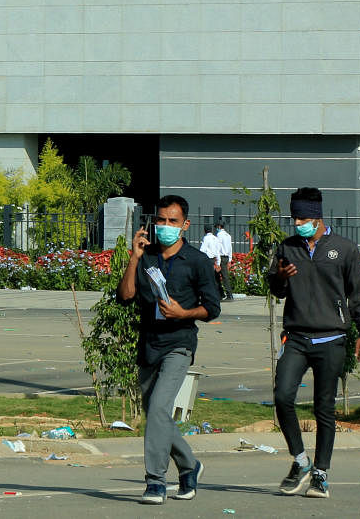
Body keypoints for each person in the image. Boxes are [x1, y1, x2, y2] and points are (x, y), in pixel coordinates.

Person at [267, 186, 360, 499]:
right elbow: (276, 289)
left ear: (317, 216)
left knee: (323, 408)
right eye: (294, 217)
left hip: (332, 339)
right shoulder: (287, 247)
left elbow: (359, 292)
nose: (297, 222)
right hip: (296, 337)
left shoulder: (345, 248)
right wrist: (281, 277)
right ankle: (300, 461)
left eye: (302, 217)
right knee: (283, 396)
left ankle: (320, 474)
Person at [119, 195, 221, 504]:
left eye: (172, 222)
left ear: (185, 225)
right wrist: (134, 257)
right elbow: (125, 296)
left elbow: (212, 308)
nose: (165, 226)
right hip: (149, 343)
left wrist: (184, 313)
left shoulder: (197, 261)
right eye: (160, 220)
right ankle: (190, 465)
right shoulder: (146, 256)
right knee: (157, 414)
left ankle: (155, 481)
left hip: (179, 343)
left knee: (160, 408)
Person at [215, 222, 234, 301]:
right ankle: (222, 294)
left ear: (219, 226)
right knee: (224, 276)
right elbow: (230, 247)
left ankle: (227, 295)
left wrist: (217, 262)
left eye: (216, 227)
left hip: (221, 257)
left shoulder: (219, 235)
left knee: (222, 276)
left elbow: (218, 247)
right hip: (226, 257)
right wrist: (230, 259)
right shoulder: (228, 235)